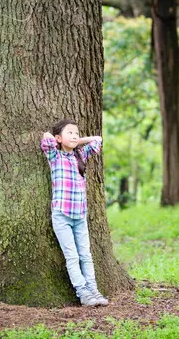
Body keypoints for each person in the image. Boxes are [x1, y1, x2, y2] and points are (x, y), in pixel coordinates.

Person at [40, 119, 109, 307]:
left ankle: (93, 289)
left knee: (85, 254)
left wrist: (77, 141)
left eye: (76, 133)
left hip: (80, 215)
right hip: (62, 215)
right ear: (59, 138)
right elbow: (46, 138)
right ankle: (83, 292)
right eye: (69, 133)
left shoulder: (81, 156)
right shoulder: (55, 155)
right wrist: (61, 140)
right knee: (73, 256)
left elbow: (98, 140)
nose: (75, 136)